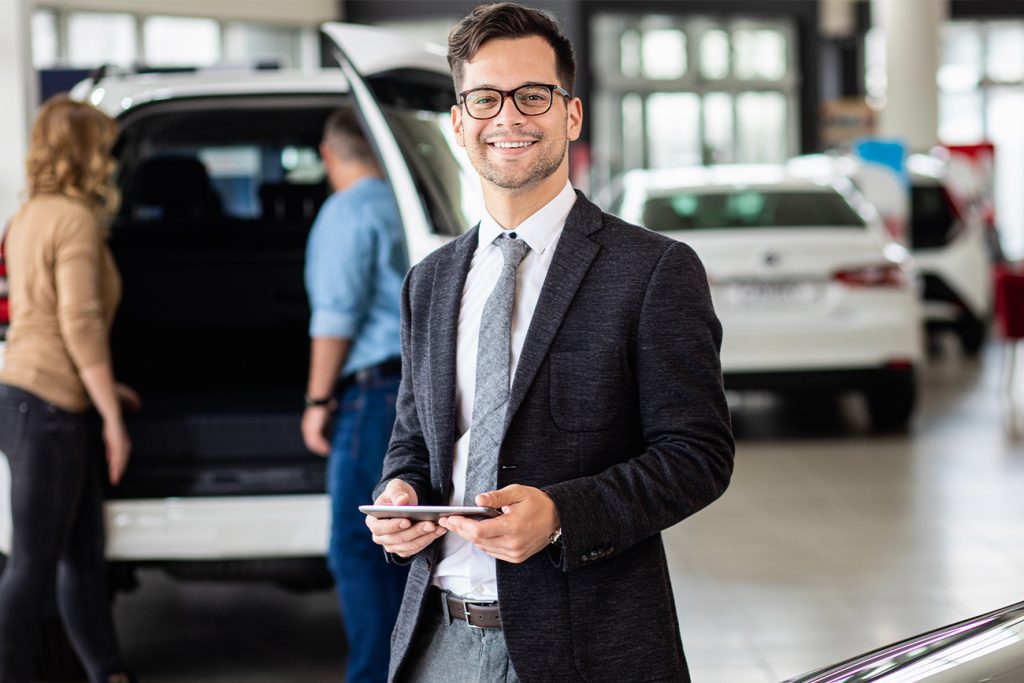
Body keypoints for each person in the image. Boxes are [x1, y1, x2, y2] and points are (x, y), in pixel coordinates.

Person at [364, 3, 736, 682]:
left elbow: (698, 454)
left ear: (570, 114)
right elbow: (415, 438)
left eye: (532, 95)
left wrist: (563, 514)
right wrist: (401, 493)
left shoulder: (652, 270)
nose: (507, 116)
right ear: (458, 122)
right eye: (484, 99)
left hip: (590, 646)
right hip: (439, 640)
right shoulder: (432, 280)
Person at [0, 96, 138, 683]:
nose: (110, 159)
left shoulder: (30, 212)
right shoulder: (74, 219)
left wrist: (108, 391)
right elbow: (78, 323)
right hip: (50, 406)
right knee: (31, 568)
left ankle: (108, 673)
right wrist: (111, 416)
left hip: (32, 397)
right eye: (103, 147)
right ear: (83, 151)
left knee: (81, 559)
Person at [301, 108, 410, 683]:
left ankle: (375, 675)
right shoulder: (402, 203)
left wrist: (318, 402)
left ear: (329, 154)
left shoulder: (346, 211)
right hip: (410, 388)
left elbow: (336, 317)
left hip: (371, 396)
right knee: (398, 541)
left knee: (357, 544)